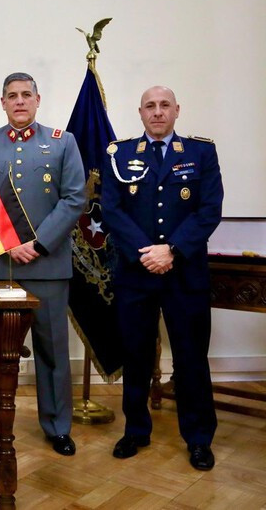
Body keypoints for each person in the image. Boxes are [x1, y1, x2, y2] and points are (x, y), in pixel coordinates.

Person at [0, 72, 86, 456]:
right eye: (12, 96)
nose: (19, 101)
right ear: (2, 102)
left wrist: (39, 243)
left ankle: (57, 426)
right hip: (1, 268)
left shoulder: (62, 143)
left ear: (38, 99)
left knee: (52, 352)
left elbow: (74, 199)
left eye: (26, 95)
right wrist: (9, 244)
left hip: (48, 268)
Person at [102, 86, 223, 470]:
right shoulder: (120, 154)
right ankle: (136, 430)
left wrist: (171, 250)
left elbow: (209, 210)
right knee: (135, 355)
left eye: (164, 105)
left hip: (184, 272)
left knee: (190, 357)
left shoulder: (201, 152)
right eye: (150, 106)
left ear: (177, 111)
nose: (157, 112)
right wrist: (148, 252)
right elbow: (112, 209)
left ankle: (199, 438)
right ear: (140, 112)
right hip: (136, 274)